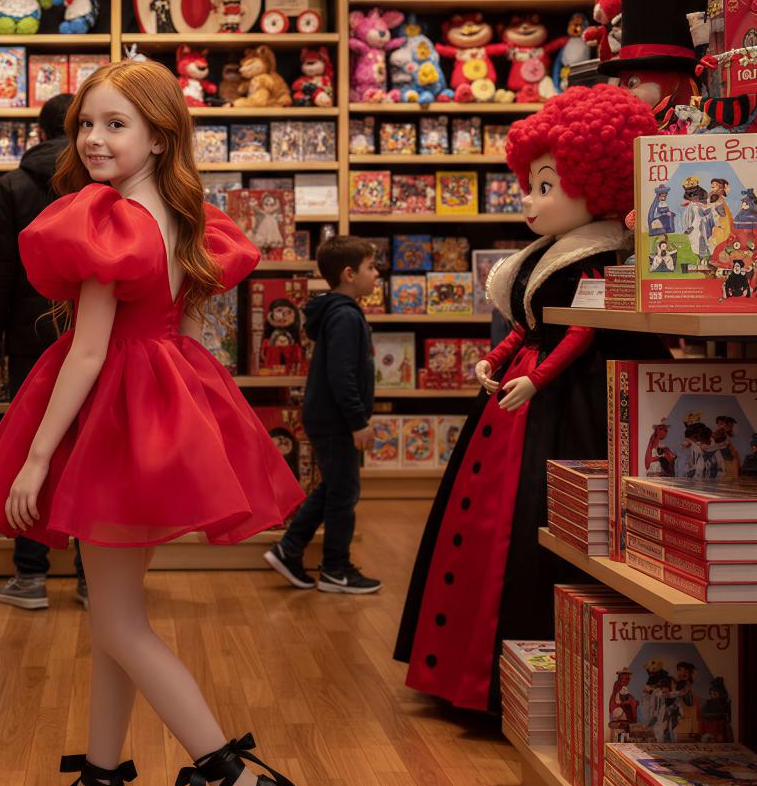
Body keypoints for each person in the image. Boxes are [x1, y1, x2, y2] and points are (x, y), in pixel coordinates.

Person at [0, 60, 304, 786]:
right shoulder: (177, 213)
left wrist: (38, 457)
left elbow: (84, 347)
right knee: (116, 616)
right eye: (87, 125)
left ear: (159, 135)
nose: (94, 140)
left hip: (115, 408)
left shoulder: (111, 220)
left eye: (116, 124)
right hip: (158, 399)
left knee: (116, 619)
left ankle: (237, 783)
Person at [394, 86, 662, 713]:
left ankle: (504, 674)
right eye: (530, 185)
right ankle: (472, 669)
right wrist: (496, 356)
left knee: (534, 518)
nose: (530, 201)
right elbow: (537, 322)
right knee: (492, 515)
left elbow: (580, 329)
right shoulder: (555, 258)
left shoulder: (597, 259)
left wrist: (536, 379)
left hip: (567, 396)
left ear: (596, 186)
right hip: (526, 385)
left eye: (547, 186)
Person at [0, 92, 85, 609]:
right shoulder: (99, 181)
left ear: (38, 131)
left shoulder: (14, 185)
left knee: (31, 446)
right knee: (91, 448)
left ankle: (31, 574)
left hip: (28, 339)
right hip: (91, 335)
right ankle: (93, 575)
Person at [263, 235, 381, 594]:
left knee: (336, 488)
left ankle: (290, 549)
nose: (376, 275)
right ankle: (335, 568)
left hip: (329, 418)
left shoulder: (337, 313)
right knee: (344, 494)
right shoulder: (344, 317)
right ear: (349, 274)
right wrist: (358, 421)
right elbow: (341, 375)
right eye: (371, 268)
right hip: (336, 421)